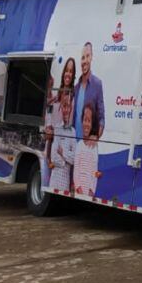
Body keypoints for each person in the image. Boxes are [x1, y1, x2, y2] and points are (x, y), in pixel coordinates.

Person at [43, 58, 78, 187]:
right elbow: (49, 113)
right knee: (48, 182)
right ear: (63, 73)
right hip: (51, 144)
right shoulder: (57, 95)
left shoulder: (72, 97)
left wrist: (62, 156)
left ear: (73, 75)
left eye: (71, 71)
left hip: (60, 147)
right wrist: (47, 128)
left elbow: (68, 125)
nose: (68, 74)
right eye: (66, 71)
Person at [73, 42, 105, 141]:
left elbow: (101, 118)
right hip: (73, 142)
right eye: (83, 58)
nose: (85, 61)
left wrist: (96, 138)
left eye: (87, 56)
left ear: (91, 57)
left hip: (87, 144)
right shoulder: (76, 88)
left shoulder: (97, 84)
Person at [49, 88, 76, 193]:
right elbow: (53, 157)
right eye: (64, 106)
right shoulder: (57, 128)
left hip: (65, 182)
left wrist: (62, 153)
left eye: (68, 107)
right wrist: (65, 161)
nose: (66, 110)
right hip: (54, 179)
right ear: (61, 108)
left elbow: (73, 159)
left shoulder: (72, 132)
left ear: (71, 109)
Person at [73, 104, 100, 197]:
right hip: (78, 191)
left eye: (89, 121)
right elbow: (76, 169)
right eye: (85, 120)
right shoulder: (79, 145)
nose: (86, 124)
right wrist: (78, 188)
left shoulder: (94, 147)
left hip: (89, 192)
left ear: (92, 125)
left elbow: (94, 170)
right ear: (81, 122)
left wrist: (91, 191)